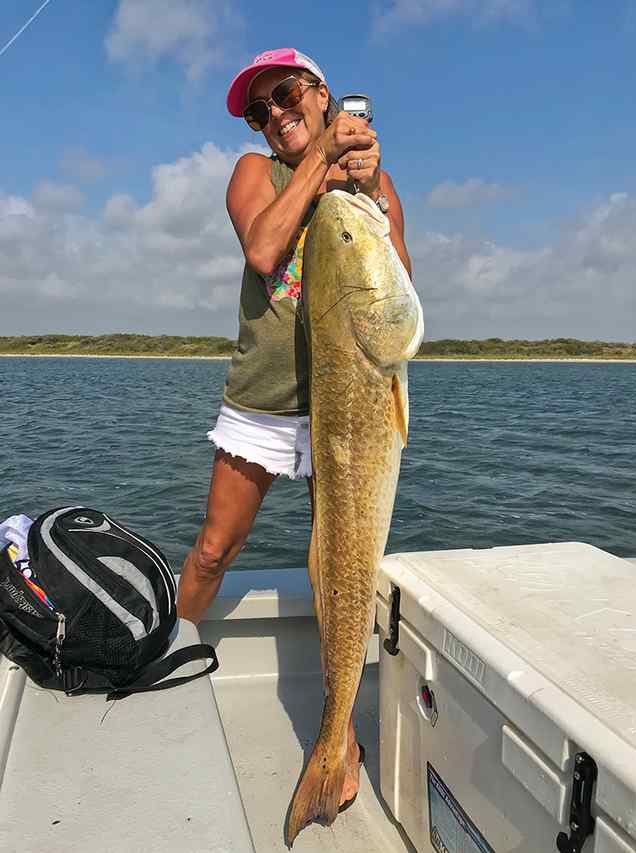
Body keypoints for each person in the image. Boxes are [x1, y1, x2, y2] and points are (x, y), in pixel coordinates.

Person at [176, 47, 412, 808]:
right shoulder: (256, 172)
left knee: (337, 572)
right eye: (260, 110)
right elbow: (264, 247)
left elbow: (402, 296)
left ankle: (337, 742)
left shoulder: (371, 180)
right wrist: (322, 163)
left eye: (284, 97)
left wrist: (368, 182)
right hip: (263, 400)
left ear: (320, 92)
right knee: (214, 550)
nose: (274, 117)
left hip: (345, 408)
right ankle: (168, 656)